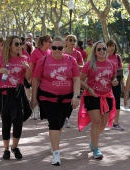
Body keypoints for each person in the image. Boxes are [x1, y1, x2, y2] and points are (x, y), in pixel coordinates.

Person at [30, 36, 80, 165]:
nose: (57, 50)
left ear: (64, 47)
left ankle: (53, 143)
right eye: (54, 48)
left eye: (60, 48)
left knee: (60, 123)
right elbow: (35, 79)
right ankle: (56, 154)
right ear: (50, 47)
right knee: (54, 123)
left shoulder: (71, 60)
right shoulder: (44, 60)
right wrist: (33, 98)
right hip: (47, 97)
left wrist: (76, 96)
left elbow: (76, 79)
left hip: (66, 98)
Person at [0, 35, 32, 160]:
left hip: (18, 95)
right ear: (10, 45)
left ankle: (15, 147)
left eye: (20, 44)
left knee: (18, 121)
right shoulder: (0, 59)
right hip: (4, 95)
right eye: (17, 44)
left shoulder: (24, 58)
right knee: (6, 122)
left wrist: (28, 68)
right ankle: (6, 149)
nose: (20, 46)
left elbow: (28, 77)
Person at [78, 41, 118, 159]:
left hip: (107, 96)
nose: (102, 51)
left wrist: (114, 82)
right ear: (95, 51)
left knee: (102, 124)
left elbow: (113, 78)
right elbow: (80, 80)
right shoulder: (89, 64)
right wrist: (89, 89)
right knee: (96, 121)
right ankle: (96, 149)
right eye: (99, 49)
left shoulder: (111, 64)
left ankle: (93, 140)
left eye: (104, 49)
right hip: (92, 96)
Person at [63, 34, 83, 128]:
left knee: (72, 98)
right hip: (62, 78)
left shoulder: (77, 53)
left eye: (74, 40)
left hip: (73, 80)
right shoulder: (61, 51)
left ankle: (66, 117)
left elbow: (82, 65)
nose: (72, 42)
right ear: (66, 41)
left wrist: (75, 66)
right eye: (70, 40)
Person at [107, 39, 125, 131]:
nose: (112, 48)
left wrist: (123, 85)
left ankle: (116, 122)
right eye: (110, 46)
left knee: (117, 103)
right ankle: (103, 121)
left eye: (113, 46)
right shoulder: (104, 57)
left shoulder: (117, 57)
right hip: (106, 84)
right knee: (106, 103)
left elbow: (120, 72)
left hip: (116, 83)